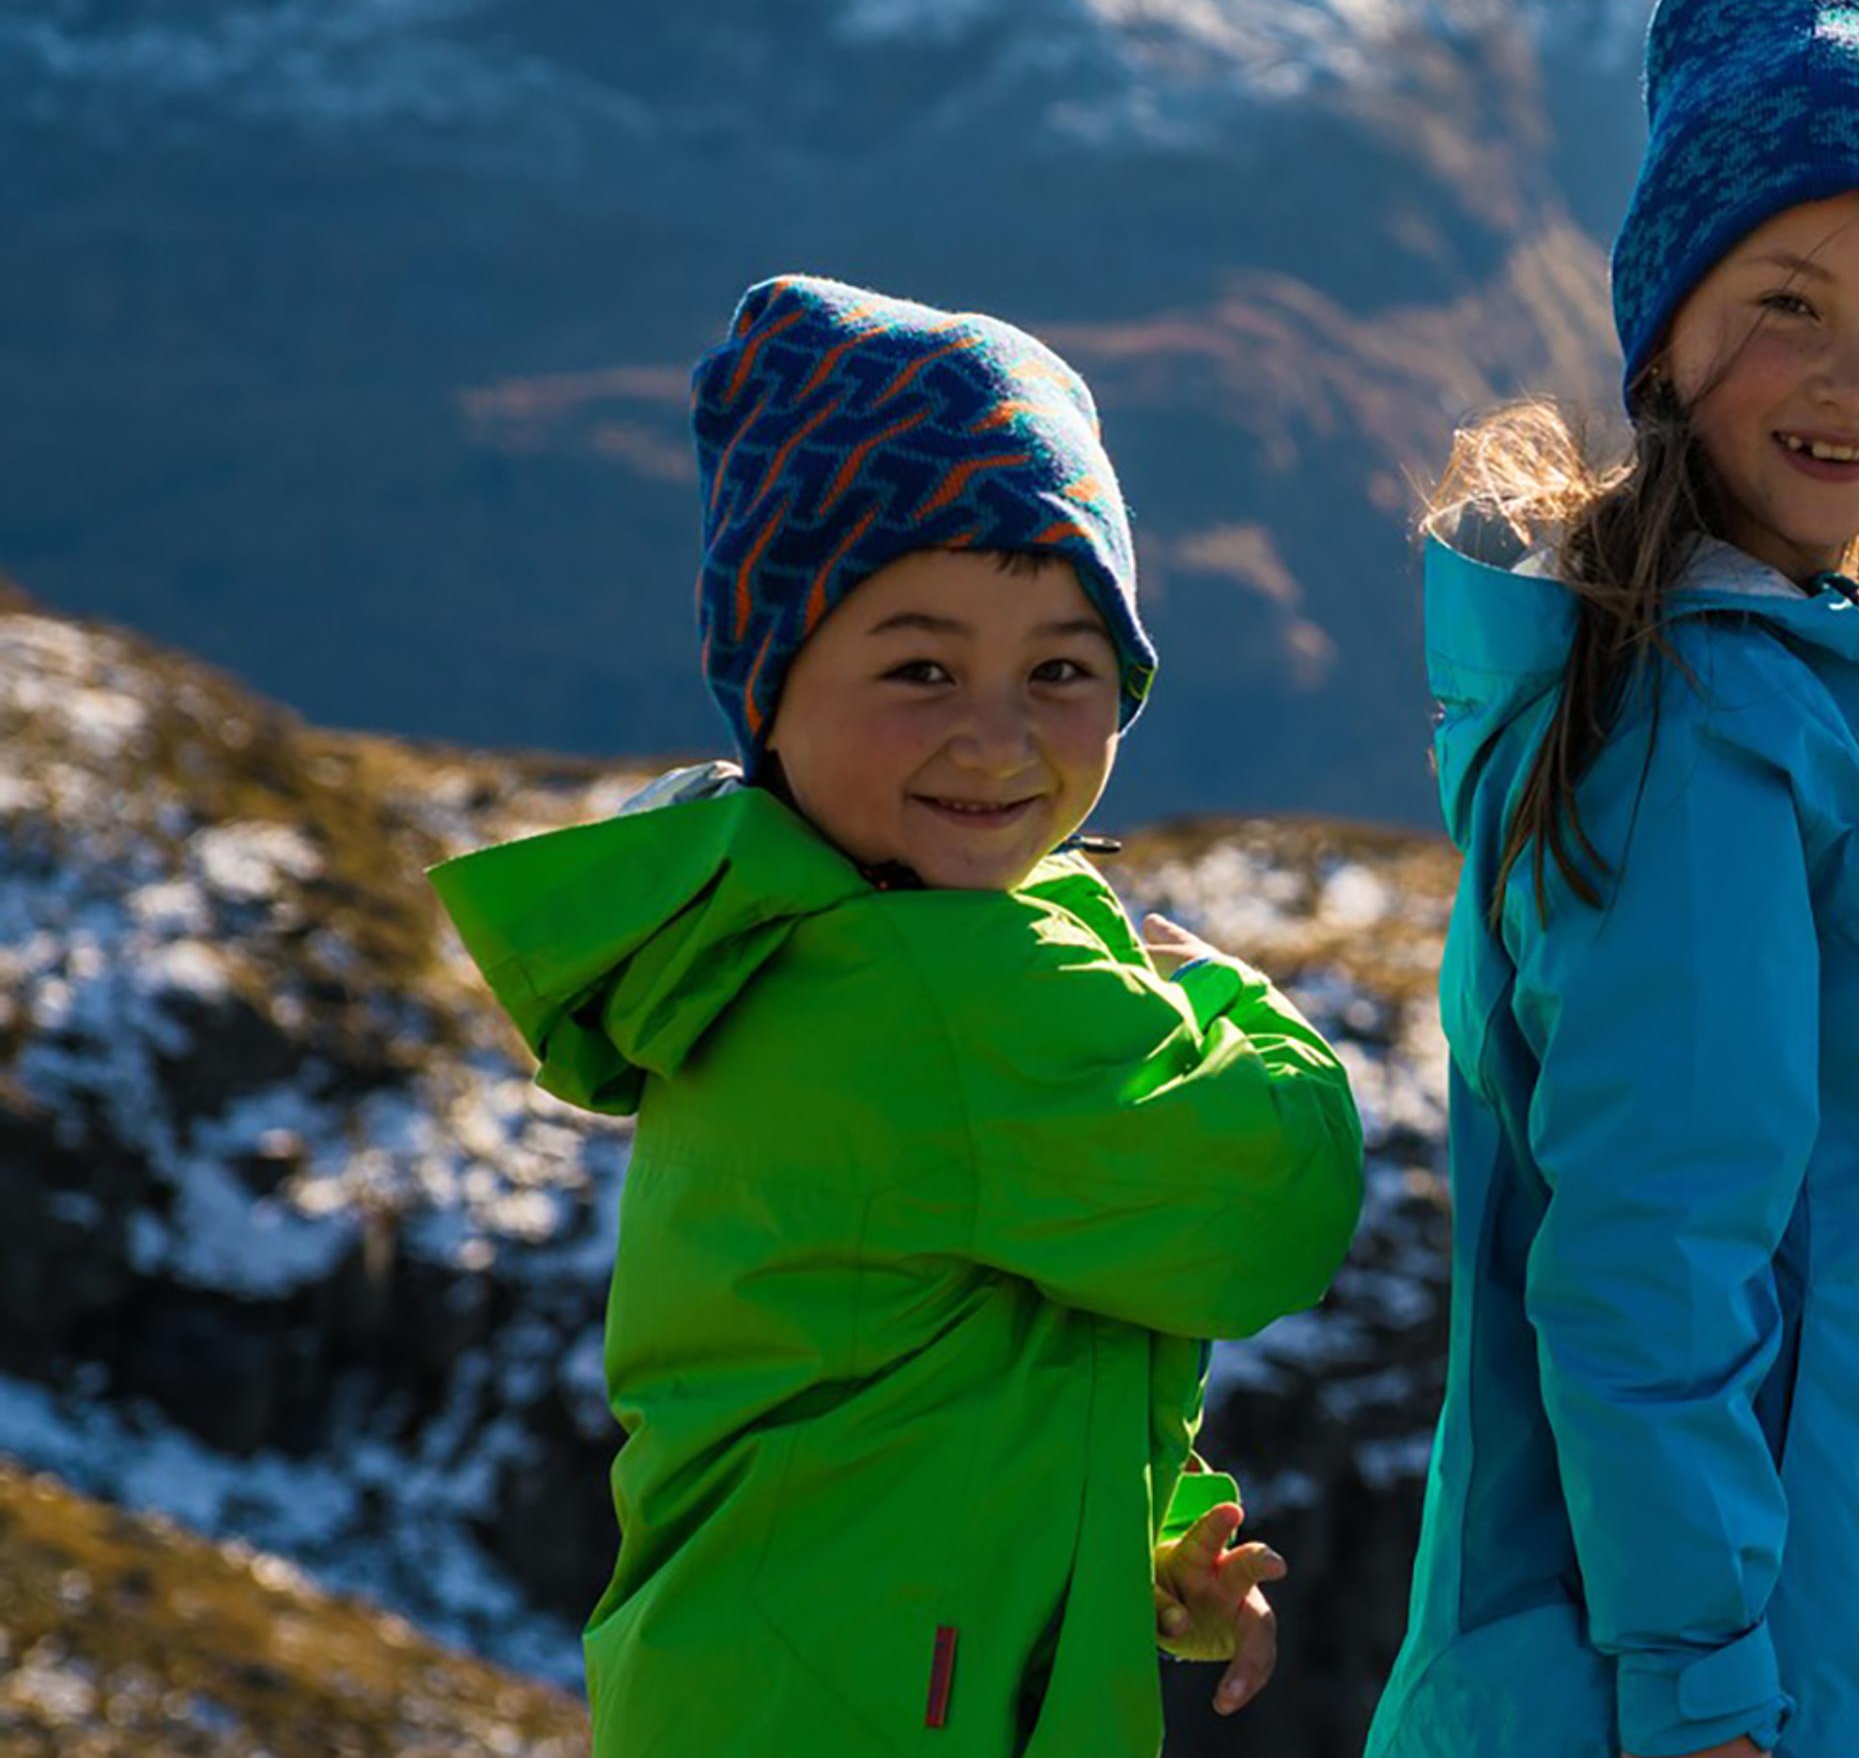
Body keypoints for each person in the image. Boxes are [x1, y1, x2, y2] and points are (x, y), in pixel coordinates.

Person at [429, 274, 1367, 1755]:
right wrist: (1222, 993)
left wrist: (1137, 1546)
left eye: (1061, 670)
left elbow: (940, 1344)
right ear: (772, 681)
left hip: (782, 1681)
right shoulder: (929, 985)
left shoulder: (787, 925)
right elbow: (1273, 1203)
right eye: (919, 667)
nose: (994, 736)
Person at [1369, 0, 1859, 1758]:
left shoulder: (1739, 683)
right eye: (1787, 301)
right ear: (1665, 328)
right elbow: (1652, 1260)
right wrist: (1711, 1693)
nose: (1856, 378)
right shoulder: (1703, 743)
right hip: (1665, 1700)